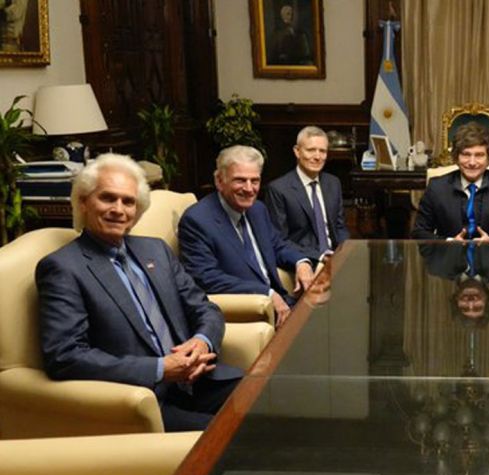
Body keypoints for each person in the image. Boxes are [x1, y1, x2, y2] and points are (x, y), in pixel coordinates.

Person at [36, 153, 242, 431]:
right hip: (146, 399)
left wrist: (202, 341)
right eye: (107, 198)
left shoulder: (155, 249)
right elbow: (66, 355)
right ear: (83, 202)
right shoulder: (62, 267)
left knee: (275, 399)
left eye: (128, 201)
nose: (118, 209)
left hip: (198, 382)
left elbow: (205, 308)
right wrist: (160, 368)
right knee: (240, 435)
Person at [178, 145, 313, 329]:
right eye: (240, 180)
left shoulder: (257, 209)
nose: (249, 189)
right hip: (251, 314)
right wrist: (266, 293)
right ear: (219, 180)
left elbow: (277, 245)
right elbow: (206, 277)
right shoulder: (197, 221)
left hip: (284, 303)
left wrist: (301, 262)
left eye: (255, 181)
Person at [411, 122, 489, 241]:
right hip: (450, 259)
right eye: (466, 154)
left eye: (479, 155)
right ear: (456, 157)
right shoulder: (436, 187)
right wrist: (449, 242)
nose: (472, 162)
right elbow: (419, 232)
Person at [264, 126, 349, 261]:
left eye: (322, 151)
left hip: (335, 258)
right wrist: (320, 257)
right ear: (297, 151)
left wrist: (345, 250)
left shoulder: (333, 183)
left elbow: (340, 227)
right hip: (303, 259)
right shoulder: (278, 189)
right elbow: (280, 240)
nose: (317, 157)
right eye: (311, 150)